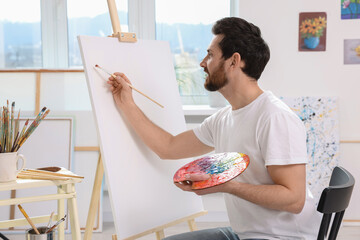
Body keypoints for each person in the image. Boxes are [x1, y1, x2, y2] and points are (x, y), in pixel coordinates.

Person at [107, 17, 321, 240]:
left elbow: (294, 200)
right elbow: (168, 147)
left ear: (233, 61)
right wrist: (127, 103)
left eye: (210, 55)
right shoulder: (224, 118)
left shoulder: (274, 117)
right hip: (245, 234)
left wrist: (228, 186)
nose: (202, 63)